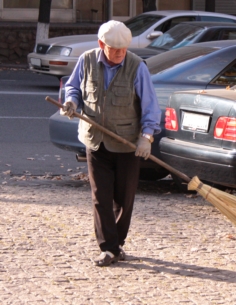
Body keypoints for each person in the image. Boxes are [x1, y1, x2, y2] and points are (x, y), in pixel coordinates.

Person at [61, 20, 161, 267]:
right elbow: (73, 87)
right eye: (114, 50)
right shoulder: (86, 60)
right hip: (96, 141)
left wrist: (146, 137)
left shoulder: (137, 67)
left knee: (123, 198)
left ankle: (118, 243)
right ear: (101, 44)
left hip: (127, 143)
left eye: (123, 50)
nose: (119, 55)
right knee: (100, 196)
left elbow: (150, 106)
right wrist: (72, 103)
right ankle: (108, 248)